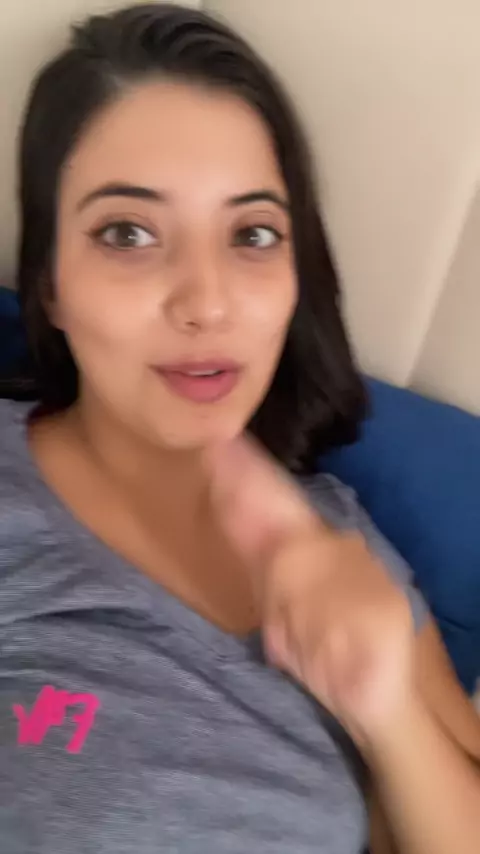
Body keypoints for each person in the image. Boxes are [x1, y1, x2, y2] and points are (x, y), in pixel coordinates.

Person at [0, 4, 479, 852]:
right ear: (51, 286)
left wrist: (389, 709)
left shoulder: (341, 541)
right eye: (127, 233)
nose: (208, 302)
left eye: (253, 234)